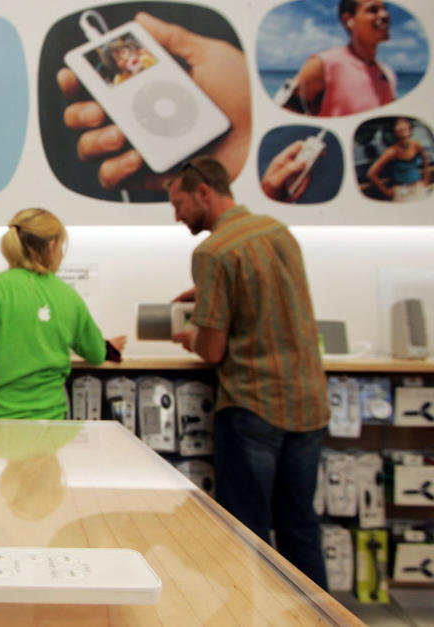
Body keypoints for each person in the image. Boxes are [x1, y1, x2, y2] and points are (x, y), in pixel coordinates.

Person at [167, 156, 329, 588]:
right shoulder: (277, 231)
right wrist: (210, 294)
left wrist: (191, 338)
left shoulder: (212, 251)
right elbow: (267, 290)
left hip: (254, 406)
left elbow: (214, 350)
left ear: (204, 192)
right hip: (309, 403)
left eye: (179, 203)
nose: (177, 216)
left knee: (246, 532)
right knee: (300, 525)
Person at [0, 208, 126, 420]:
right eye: (62, 246)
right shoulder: (68, 296)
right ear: (52, 247)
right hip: (48, 427)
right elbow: (96, 354)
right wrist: (108, 347)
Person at [56, 11, 251, 192]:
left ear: (131, 48)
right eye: (118, 61)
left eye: (123, 52)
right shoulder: (120, 80)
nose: (124, 60)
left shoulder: (147, 58)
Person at [282, 0, 395, 117]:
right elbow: (284, 119)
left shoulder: (388, 74)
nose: (384, 15)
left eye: (385, 9)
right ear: (348, 20)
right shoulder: (323, 65)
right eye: (372, 10)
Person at [366, 117, 431, 202]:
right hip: (402, 191)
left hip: (418, 187)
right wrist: (388, 192)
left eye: (404, 123)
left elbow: (425, 161)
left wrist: (425, 180)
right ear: (394, 131)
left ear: (409, 127)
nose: (402, 126)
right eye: (399, 124)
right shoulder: (391, 152)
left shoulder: (416, 145)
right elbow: (371, 174)